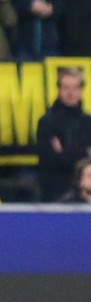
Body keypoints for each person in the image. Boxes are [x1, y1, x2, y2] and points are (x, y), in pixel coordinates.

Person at [36, 68, 91, 202]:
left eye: (75, 87)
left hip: (85, 192)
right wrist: (84, 152)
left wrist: (63, 152)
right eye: (66, 87)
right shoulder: (47, 122)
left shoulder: (88, 122)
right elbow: (49, 160)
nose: (70, 92)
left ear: (81, 90)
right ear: (59, 89)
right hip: (54, 192)